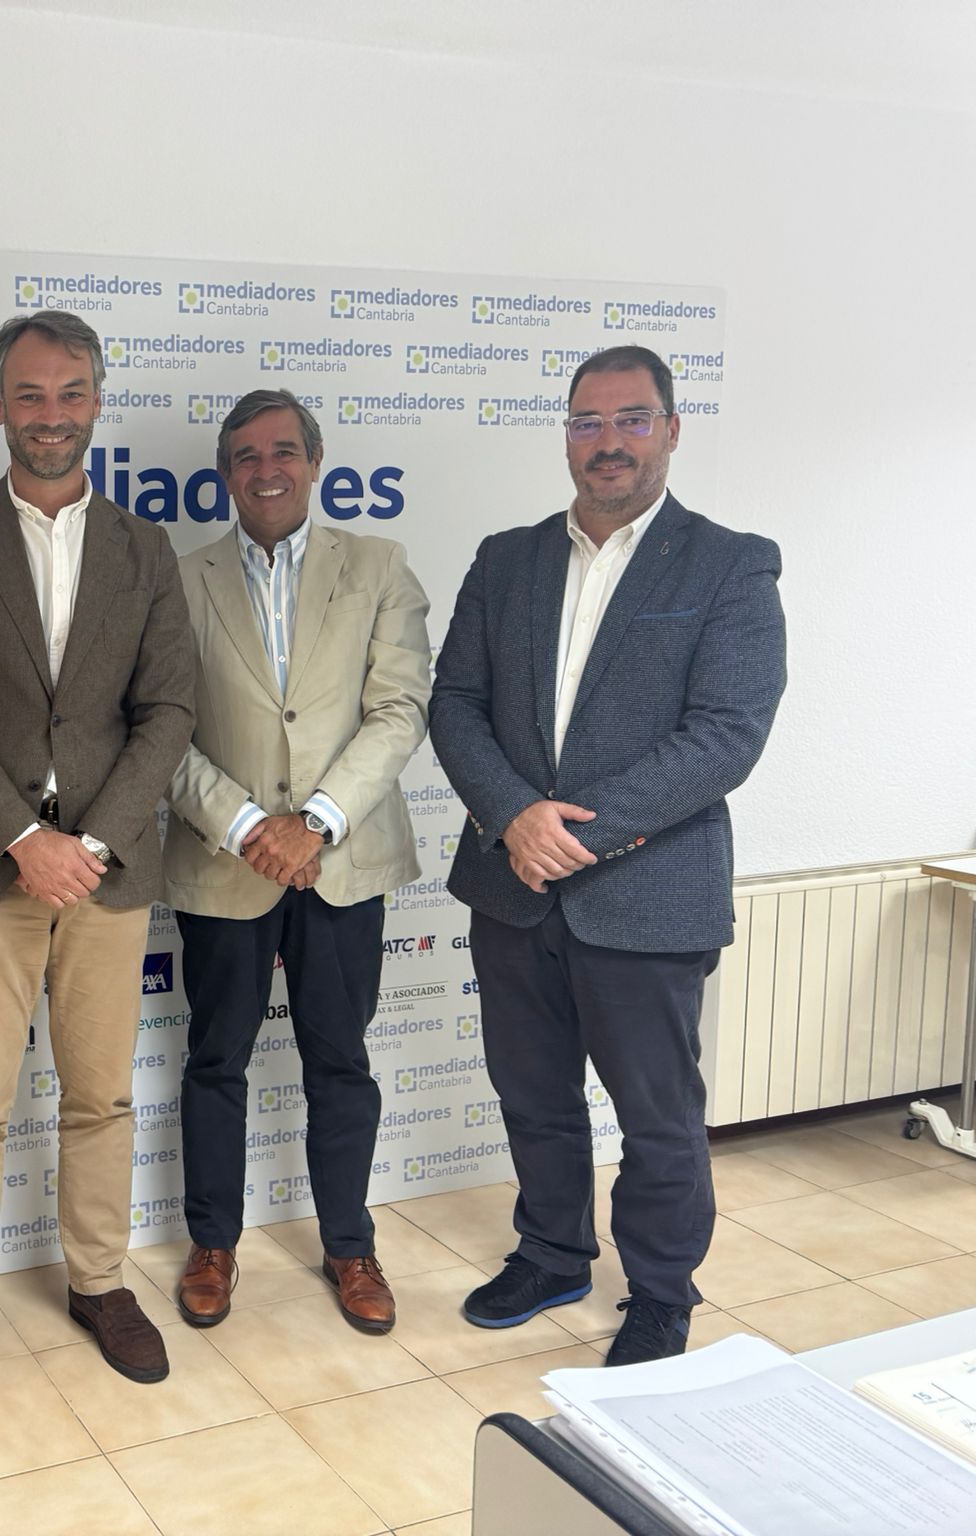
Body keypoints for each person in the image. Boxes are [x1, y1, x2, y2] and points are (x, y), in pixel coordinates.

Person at [428, 343, 785, 1366]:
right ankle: (551, 1254)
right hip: (511, 888)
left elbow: (724, 735)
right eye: (587, 422)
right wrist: (514, 817)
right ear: (566, 437)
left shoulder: (729, 563)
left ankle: (662, 1292)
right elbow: (454, 704)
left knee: (656, 1116)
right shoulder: (506, 560)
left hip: (645, 892)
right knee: (532, 1096)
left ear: (670, 429)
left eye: (631, 419)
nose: (608, 441)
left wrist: (567, 834)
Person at [0, 310, 194, 1400]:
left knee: (100, 1099)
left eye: (70, 393)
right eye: (29, 394)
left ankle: (98, 1281)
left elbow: (168, 711)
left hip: (107, 875)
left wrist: (90, 843)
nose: (50, 415)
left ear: (96, 402)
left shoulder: (144, 549)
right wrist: (23, 840)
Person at [163, 389, 431, 1332]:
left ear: (315, 463)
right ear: (224, 474)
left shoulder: (379, 566)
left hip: (342, 860)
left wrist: (313, 824)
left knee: (341, 1062)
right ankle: (212, 1243)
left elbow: (399, 709)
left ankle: (350, 1245)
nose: (266, 469)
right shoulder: (178, 579)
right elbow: (159, 727)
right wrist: (248, 827)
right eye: (245, 456)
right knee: (215, 1062)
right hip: (224, 860)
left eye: (283, 451)